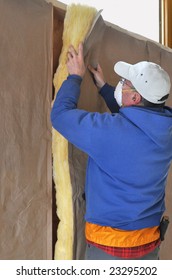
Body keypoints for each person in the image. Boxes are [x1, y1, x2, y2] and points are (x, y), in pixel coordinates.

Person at [51, 42, 172, 260]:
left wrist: (75, 77)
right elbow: (138, 125)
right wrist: (106, 89)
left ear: (135, 98)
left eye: (125, 83)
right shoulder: (166, 130)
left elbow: (60, 116)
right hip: (149, 246)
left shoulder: (110, 132)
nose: (121, 84)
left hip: (110, 250)